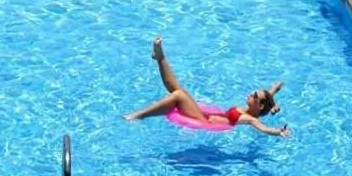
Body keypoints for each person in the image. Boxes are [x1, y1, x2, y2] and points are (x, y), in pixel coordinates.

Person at [124, 37, 289, 136]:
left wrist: (277, 132)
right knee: (177, 90)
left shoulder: (250, 118)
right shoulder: (252, 108)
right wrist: (274, 91)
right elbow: (266, 100)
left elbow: (261, 127)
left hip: (204, 121)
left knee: (179, 95)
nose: (251, 94)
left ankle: (138, 115)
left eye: (254, 95)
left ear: (259, 105)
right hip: (205, 115)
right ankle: (160, 58)